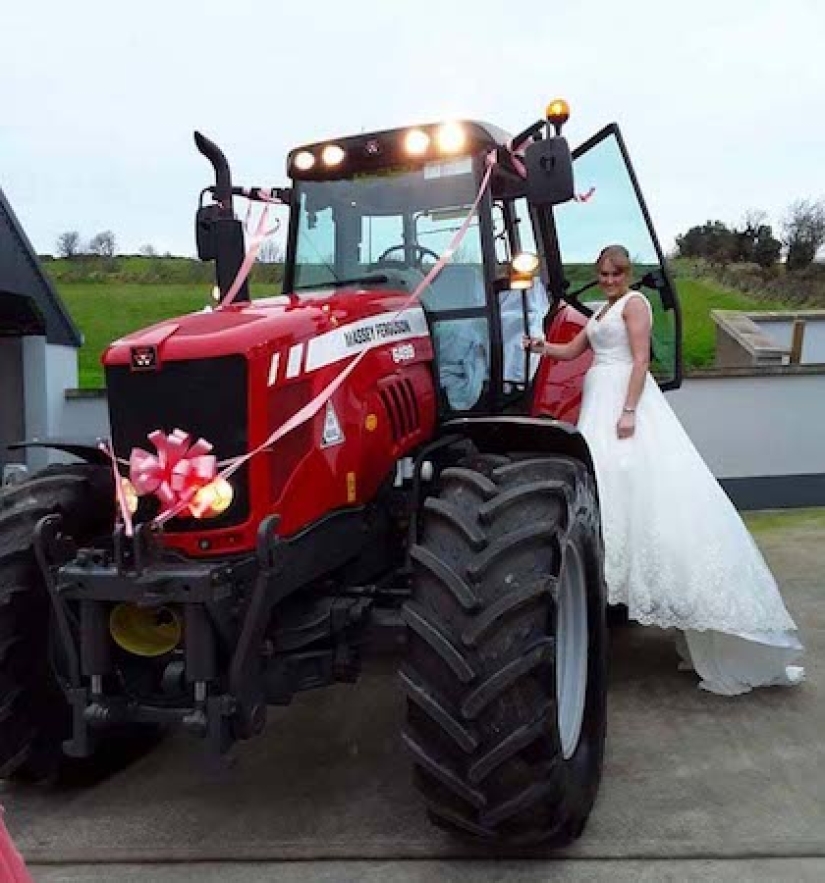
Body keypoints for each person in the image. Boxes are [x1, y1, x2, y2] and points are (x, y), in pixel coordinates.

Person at [523, 244, 805, 695]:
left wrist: (630, 409)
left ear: (628, 272)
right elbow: (573, 349)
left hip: (621, 398)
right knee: (604, 485)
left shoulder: (636, 305)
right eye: (602, 272)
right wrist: (540, 345)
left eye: (615, 272)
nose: (609, 279)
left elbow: (640, 360)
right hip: (595, 403)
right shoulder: (600, 312)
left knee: (636, 482)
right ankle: (604, 574)